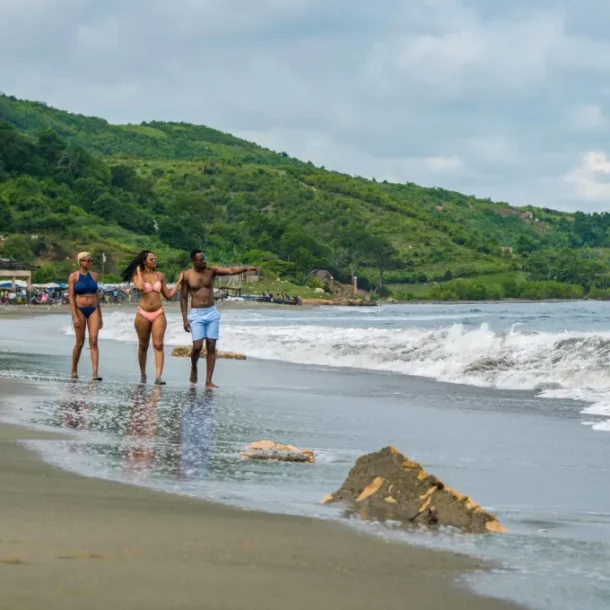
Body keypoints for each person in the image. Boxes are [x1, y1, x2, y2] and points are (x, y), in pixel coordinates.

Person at [181, 250, 258, 387]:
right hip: (197, 313)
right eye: (201, 259)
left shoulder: (211, 271)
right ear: (194, 261)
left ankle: (208, 380)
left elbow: (230, 270)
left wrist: (245, 268)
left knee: (211, 345)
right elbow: (184, 298)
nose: (204, 261)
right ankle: (194, 366)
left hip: (211, 312)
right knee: (197, 346)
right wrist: (185, 319)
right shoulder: (187, 275)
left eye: (204, 258)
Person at [122, 251, 183, 385]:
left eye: (155, 258)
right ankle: (143, 374)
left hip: (158, 313)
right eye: (151, 259)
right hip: (142, 313)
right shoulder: (138, 275)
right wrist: (138, 271)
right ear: (144, 261)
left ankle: (158, 376)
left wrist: (178, 282)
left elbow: (168, 295)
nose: (155, 260)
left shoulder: (160, 275)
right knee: (143, 346)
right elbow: (140, 287)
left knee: (158, 345)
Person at [68, 252, 103, 380]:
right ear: (80, 262)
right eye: (87, 260)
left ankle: (95, 373)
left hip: (93, 309)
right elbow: (71, 297)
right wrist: (75, 316)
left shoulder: (94, 276)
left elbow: (97, 296)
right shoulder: (73, 277)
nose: (89, 262)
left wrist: (100, 314)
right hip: (80, 309)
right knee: (79, 342)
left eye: (91, 260)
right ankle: (74, 370)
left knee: (93, 340)